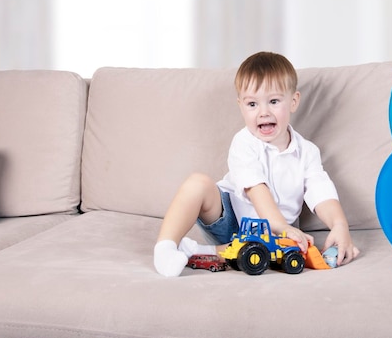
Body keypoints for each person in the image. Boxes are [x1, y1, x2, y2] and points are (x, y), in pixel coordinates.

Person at [154, 51, 360, 277]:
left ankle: (197, 252)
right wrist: (280, 225)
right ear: (241, 106)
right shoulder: (244, 143)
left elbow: (321, 192)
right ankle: (165, 249)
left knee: (260, 255)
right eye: (252, 104)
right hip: (231, 219)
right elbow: (256, 189)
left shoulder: (307, 152)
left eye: (273, 101)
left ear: (293, 101)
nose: (263, 112)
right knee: (198, 183)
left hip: (275, 235)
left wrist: (339, 225)